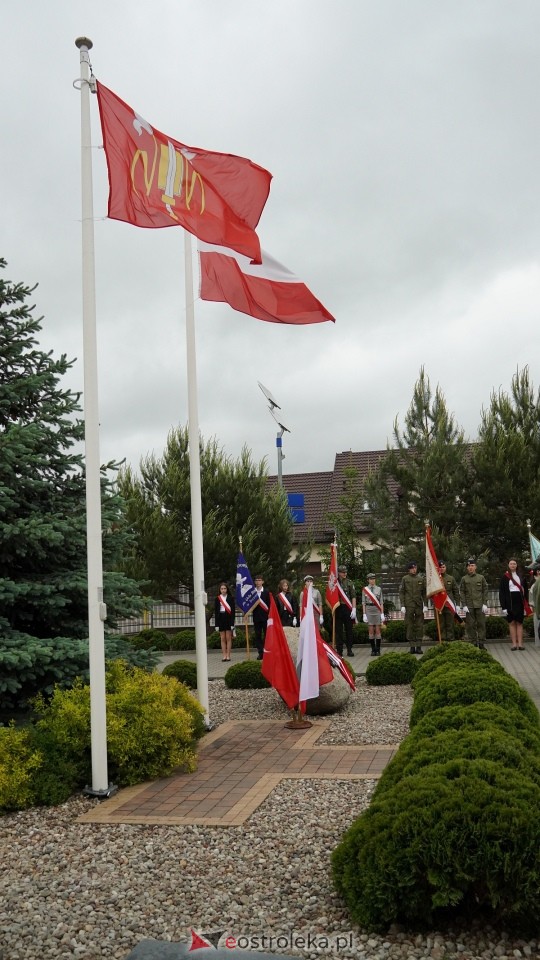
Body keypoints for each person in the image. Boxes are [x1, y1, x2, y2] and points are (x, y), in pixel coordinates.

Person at [499, 558, 530, 651]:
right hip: (510, 602)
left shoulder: (521, 576)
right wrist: (503, 606)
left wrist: (526, 604)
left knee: (519, 622)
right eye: (511, 564)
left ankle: (520, 644)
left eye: (514, 564)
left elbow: (525, 591)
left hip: (519, 601)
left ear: (517, 565)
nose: (512, 565)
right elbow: (502, 592)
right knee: (512, 622)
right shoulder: (505, 577)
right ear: (508, 565)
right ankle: (513, 644)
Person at [459, 558, 489, 649]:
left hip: (479, 605)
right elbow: (462, 592)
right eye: (469, 566)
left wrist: (485, 603)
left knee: (481, 624)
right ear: (467, 568)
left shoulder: (481, 577)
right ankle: (473, 642)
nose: (470, 567)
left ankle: (481, 643)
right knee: (470, 625)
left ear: (475, 567)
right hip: (469, 606)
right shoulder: (464, 579)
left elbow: (485, 590)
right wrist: (464, 605)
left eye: (472, 565)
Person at [399, 561, 427, 654]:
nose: (414, 570)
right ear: (409, 569)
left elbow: (424, 593)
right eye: (412, 568)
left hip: (418, 605)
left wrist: (426, 605)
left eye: (415, 568)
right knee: (409, 625)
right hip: (409, 605)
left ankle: (418, 646)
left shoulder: (421, 579)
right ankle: (412, 646)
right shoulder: (405, 579)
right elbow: (402, 592)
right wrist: (402, 605)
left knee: (419, 626)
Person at [335, 564, 356, 657]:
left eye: (345, 572)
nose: (345, 574)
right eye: (343, 572)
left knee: (349, 630)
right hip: (338, 608)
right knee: (338, 630)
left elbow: (353, 596)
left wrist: (354, 609)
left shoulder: (349, 583)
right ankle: (339, 650)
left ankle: (349, 649)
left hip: (347, 608)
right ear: (339, 573)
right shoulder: (335, 583)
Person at [437, 560, 460, 642]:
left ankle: (450, 641)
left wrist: (458, 604)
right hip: (439, 605)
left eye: (443, 567)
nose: (442, 569)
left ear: (445, 568)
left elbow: (456, 592)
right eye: (440, 567)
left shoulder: (451, 578)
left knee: (450, 624)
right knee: (441, 624)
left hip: (449, 604)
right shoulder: (435, 580)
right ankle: (443, 642)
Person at [362, 573, 384, 656]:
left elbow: (381, 602)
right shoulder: (365, 589)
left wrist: (382, 613)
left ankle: (378, 649)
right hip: (369, 609)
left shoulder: (379, 589)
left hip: (377, 609)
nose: (373, 580)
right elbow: (363, 603)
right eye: (371, 579)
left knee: (378, 630)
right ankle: (373, 649)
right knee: (371, 630)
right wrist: (364, 614)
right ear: (368, 580)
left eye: (374, 579)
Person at [214, 582, 235, 662]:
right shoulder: (217, 599)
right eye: (222, 589)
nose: (223, 590)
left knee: (228, 638)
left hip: (228, 619)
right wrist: (216, 624)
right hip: (220, 619)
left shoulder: (230, 598)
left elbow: (233, 612)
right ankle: (224, 655)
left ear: (227, 589)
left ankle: (228, 655)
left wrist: (232, 623)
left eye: (224, 588)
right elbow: (216, 612)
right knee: (222, 638)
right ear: (220, 590)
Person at [252, 574, 271, 660]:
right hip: (256, 617)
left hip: (265, 617)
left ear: (262, 582)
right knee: (258, 635)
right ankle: (260, 652)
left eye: (259, 580)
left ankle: (267, 651)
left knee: (267, 635)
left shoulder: (266, 592)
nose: (258, 582)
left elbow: (269, 605)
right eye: (256, 580)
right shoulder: (253, 592)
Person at [530, 565, 540, 647]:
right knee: (537, 626)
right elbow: (531, 597)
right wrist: (533, 607)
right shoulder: (534, 584)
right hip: (537, 607)